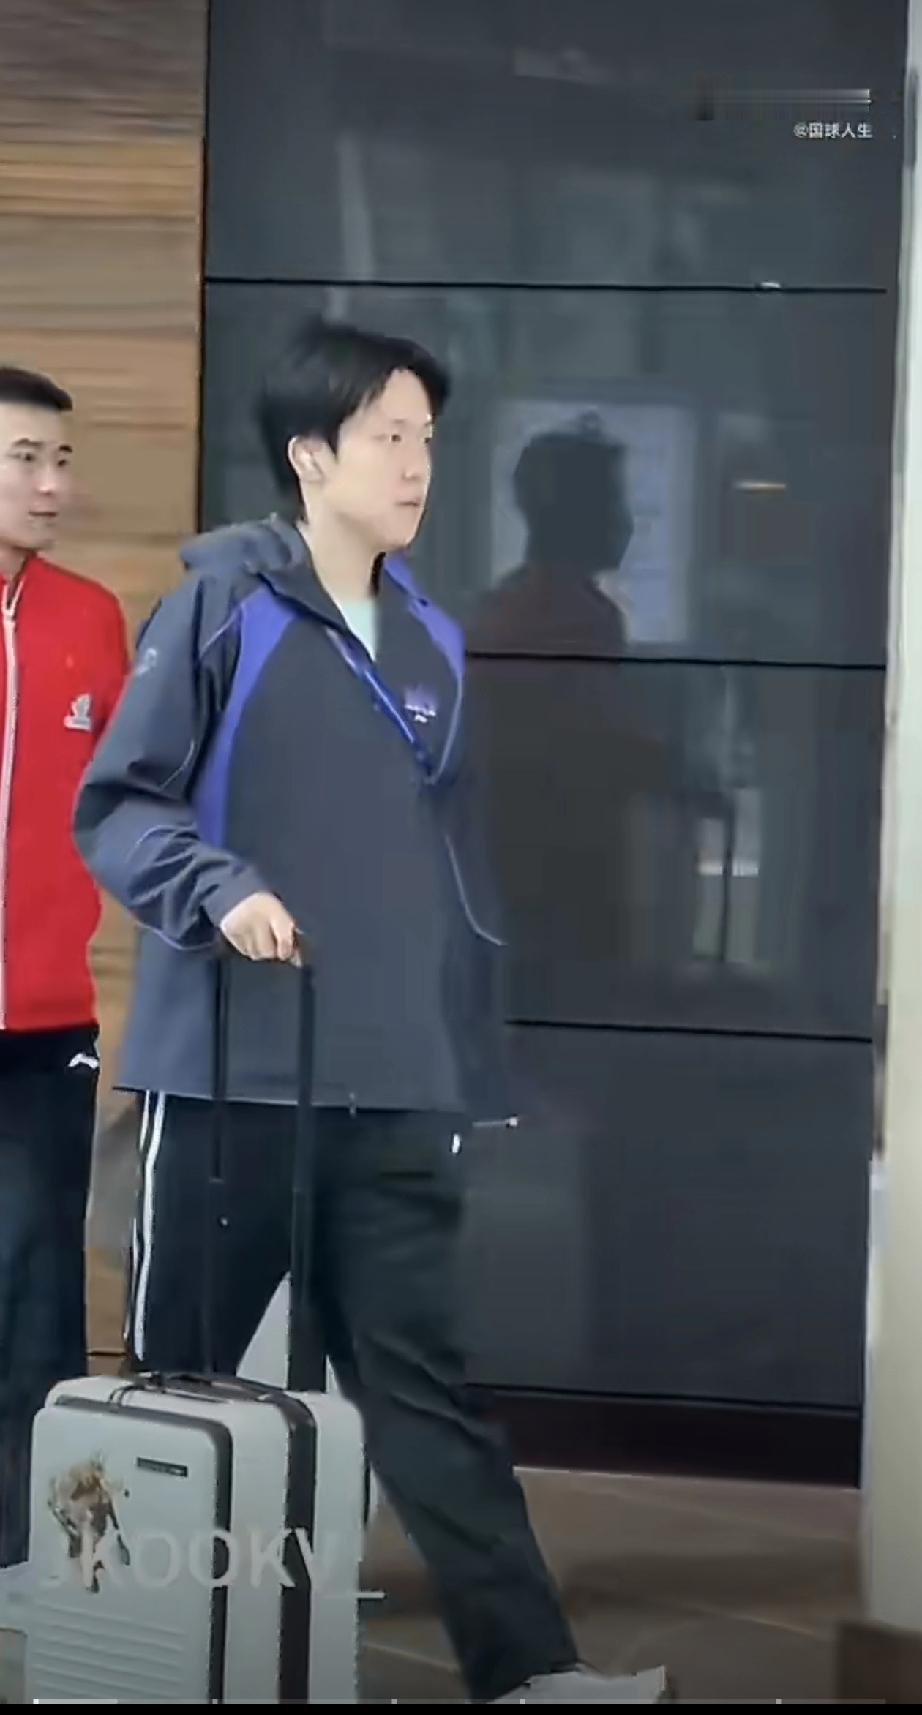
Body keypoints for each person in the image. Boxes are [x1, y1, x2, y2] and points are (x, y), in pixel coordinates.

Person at [73, 319, 669, 1705]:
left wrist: (470, 1060)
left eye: (426, 439)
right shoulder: (216, 611)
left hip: (395, 1084)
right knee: (177, 1390)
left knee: (426, 1393)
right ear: (309, 454)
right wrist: (219, 887)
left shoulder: (435, 643)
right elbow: (119, 806)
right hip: (228, 1081)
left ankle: (530, 1670)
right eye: (388, 435)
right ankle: (131, 1663)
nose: (415, 463)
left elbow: (452, 881)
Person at [0, 366, 129, 1572]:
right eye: (26, 459)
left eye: (61, 460)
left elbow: (133, 802)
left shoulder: (89, 617)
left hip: (45, 1022)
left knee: (37, 1275)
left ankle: (26, 1551)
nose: (53, 485)